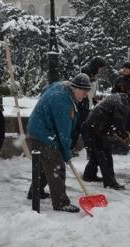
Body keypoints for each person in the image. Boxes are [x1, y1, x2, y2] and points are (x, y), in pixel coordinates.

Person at [26, 73, 91, 212]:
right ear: (74, 87)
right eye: (83, 91)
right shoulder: (63, 102)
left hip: (37, 129)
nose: (85, 95)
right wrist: (67, 154)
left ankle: (35, 192)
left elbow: (45, 90)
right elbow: (64, 134)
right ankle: (61, 203)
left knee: (45, 165)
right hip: (44, 135)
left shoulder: (62, 86)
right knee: (57, 166)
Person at [81, 87, 130, 190]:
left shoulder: (122, 98)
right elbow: (119, 124)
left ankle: (89, 175)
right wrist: (127, 140)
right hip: (96, 128)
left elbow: (116, 122)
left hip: (93, 126)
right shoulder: (123, 104)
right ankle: (110, 182)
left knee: (97, 153)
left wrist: (125, 136)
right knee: (106, 155)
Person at [70, 57, 106, 151]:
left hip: (87, 105)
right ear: (96, 66)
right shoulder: (85, 75)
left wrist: (95, 102)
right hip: (82, 105)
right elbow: (83, 91)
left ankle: (74, 148)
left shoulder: (93, 76)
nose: (101, 70)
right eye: (100, 67)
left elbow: (92, 93)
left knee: (81, 128)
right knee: (82, 129)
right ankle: (87, 150)